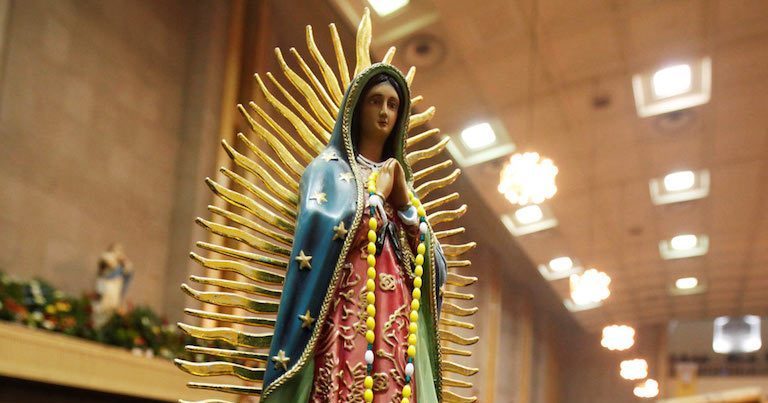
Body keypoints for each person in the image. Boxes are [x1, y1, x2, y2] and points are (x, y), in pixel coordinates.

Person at [260, 63, 447, 402]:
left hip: (395, 318)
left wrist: (404, 205)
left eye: (393, 104)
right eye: (376, 101)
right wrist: (377, 196)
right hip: (345, 311)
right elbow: (321, 230)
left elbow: (435, 268)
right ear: (357, 107)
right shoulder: (328, 172)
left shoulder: (403, 187)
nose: (384, 112)